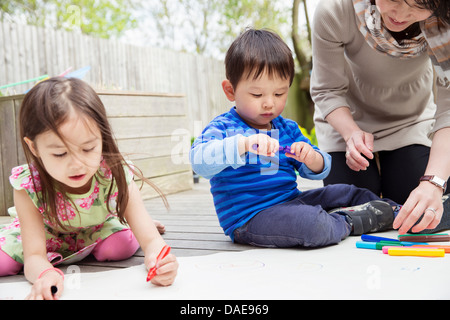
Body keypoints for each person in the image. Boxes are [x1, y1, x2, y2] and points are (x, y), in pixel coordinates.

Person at [190, 28, 402, 249]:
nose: (269, 103)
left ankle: (398, 212)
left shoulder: (286, 127)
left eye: (279, 94)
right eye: (257, 95)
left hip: (291, 201)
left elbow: (322, 167)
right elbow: (199, 162)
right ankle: (346, 221)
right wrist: (242, 145)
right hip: (251, 218)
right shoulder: (223, 128)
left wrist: (310, 157)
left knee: (346, 191)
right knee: (312, 224)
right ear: (230, 90)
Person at [0, 77, 178, 299]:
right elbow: (34, 255)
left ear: (101, 137)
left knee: (118, 247)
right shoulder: (29, 184)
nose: (77, 164)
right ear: (34, 147)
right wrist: (45, 273)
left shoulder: (114, 171)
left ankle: (132, 222)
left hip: (95, 229)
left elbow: (152, 242)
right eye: (60, 153)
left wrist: (161, 262)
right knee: (2, 263)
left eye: (88, 148)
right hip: (45, 235)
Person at [310, 0, 450, 235]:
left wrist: (433, 183)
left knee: (418, 210)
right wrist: (351, 133)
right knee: (353, 209)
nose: (401, 14)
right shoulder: (335, 9)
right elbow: (327, 91)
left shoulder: (445, 21)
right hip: (344, 123)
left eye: (418, 5)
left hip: (409, 122)